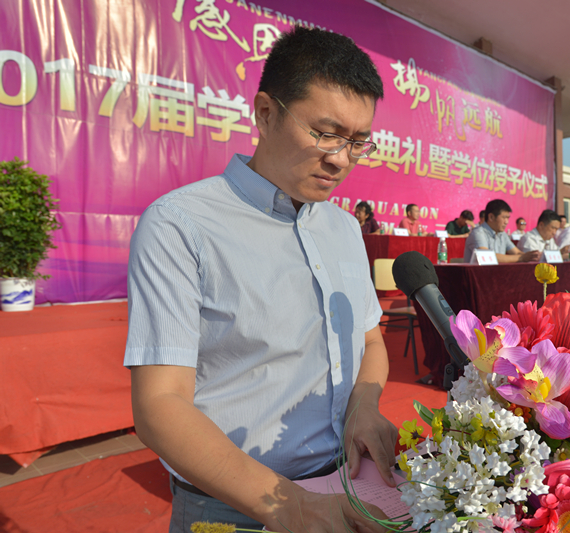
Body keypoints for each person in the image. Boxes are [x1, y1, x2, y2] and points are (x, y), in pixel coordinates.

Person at [124, 27, 395, 533]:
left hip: (342, 481)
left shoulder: (342, 228)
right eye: (325, 133)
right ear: (266, 113)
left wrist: (364, 404)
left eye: (358, 142)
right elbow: (160, 404)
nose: (340, 158)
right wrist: (291, 506)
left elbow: (370, 340)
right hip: (232, 502)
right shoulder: (181, 225)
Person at [463, 199, 539, 263]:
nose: (506, 222)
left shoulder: (502, 234)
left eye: (508, 218)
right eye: (504, 217)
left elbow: (517, 252)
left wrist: (533, 256)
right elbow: (487, 257)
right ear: (491, 217)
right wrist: (521, 258)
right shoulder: (478, 233)